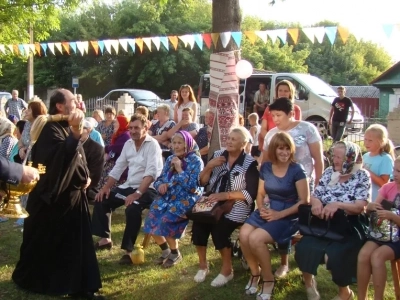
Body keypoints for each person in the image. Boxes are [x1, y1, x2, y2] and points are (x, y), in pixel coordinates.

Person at [12, 89, 104, 299]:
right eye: (73, 101)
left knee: (76, 245)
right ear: (60, 106)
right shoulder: (49, 129)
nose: (78, 104)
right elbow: (58, 160)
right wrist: (73, 134)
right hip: (55, 202)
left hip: (72, 199)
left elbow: (77, 156)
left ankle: (80, 286)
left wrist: (85, 175)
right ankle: (69, 286)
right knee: (58, 246)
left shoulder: (63, 126)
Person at [295, 141, 370, 300]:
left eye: (340, 157)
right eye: (334, 156)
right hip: (324, 223)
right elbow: (316, 194)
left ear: (350, 158)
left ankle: (345, 292)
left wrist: (336, 205)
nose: (335, 160)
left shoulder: (362, 175)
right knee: (304, 247)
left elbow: (360, 207)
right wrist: (315, 203)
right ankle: (309, 284)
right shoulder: (329, 172)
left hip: (349, 225)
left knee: (334, 255)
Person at [239, 132, 309, 299]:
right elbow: (261, 194)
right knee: (243, 234)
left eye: (287, 149)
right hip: (268, 209)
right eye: (280, 149)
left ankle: (268, 279)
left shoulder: (297, 170)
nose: (284, 152)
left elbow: (304, 201)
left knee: (256, 239)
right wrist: (261, 207)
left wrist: (279, 214)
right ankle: (255, 274)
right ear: (273, 150)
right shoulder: (266, 167)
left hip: (288, 214)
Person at [262, 98, 323, 278]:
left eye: (279, 115)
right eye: (273, 115)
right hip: (279, 189)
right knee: (280, 220)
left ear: (291, 114)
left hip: (304, 186)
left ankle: (307, 264)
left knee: (302, 224)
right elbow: (265, 161)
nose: (276, 119)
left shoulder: (308, 129)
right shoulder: (271, 134)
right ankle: (283, 262)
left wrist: (319, 184)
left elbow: (318, 159)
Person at [92, 113, 163, 265]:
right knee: (102, 198)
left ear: (145, 128)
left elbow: (151, 174)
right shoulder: (128, 144)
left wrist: (137, 194)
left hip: (148, 188)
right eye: (131, 128)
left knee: (132, 209)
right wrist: (105, 188)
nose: (133, 131)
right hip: (129, 185)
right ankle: (105, 239)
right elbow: (118, 167)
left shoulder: (153, 145)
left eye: (137, 128)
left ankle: (128, 252)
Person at [191, 127, 259, 287]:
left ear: (243, 144)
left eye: (233, 139)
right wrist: (209, 166)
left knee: (219, 228)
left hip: (237, 204)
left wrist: (226, 195)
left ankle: (227, 270)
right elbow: (202, 182)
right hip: (213, 201)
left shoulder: (249, 163)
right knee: (199, 224)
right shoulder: (217, 156)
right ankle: (203, 266)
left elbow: (250, 193)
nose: (229, 141)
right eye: (228, 138)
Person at [143, 131, 203, 268]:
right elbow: (159, 179)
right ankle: (166, 251)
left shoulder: (196, 161)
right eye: (174, 143)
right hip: (168, 195)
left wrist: (180, 169)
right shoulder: (170, 159)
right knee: (151, 219)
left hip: (186, 197)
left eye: (179, 143)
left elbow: (193, 187)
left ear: (187, 144)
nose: (176, 146)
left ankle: (175, 253)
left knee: (165, 220)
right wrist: (161, 185)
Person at [357, 155, 400, 300]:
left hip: (397, 238)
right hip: (380, 233)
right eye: (395, 170)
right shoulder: (388, 187)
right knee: (363, 255)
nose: (395, 174)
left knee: (377, 257)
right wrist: (369, 208)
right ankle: (362, 297)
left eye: (399, 172)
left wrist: (393, 216)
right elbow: (372, 211)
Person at [259, 80, 302, 151]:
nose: (282, 93)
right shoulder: (269, 108)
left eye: (286, 91)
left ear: (290, 93)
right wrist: (273, 141)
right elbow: (263, 129)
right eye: (280, 90)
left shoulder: (296, 109)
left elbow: (298, 129)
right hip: (271, 145)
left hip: (288, 146)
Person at [363, 124, 395, 202]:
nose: (366, 143)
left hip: (376, 201)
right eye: (365, 139)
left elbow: (384, 184)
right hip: (364, 199)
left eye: (370, 140)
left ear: (381, 141)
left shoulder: (385, 159)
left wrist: (367, 172)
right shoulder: (365, 156)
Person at [97, 115, 130, 189]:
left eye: (116, 122)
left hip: (119, 165)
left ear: (121, 123)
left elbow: (117, 148)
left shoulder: (125, 135)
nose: (114, 124)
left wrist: (106, 148)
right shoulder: (120, 134)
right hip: (114, 161)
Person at [80, 124, 105, 204]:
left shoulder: (97, 148)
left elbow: (95, 174)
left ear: (88, 131)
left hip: (87, 186)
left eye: (81, 128)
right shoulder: (71, 144)